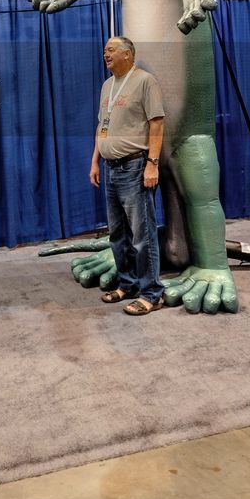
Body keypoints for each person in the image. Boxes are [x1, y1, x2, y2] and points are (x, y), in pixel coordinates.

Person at [91, 36, 166, 316]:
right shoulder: (107, 86)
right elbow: (102, 126)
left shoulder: (145, 81)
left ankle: (152, 293)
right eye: (105, 50)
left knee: (142, 235)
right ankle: (129, 284)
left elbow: (157, 123)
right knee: (118, 235)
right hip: (111, 168)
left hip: (135, 167)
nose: (105, 53)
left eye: (111, 49)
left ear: (128, 54)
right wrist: (95, 161)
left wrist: (152, 164)